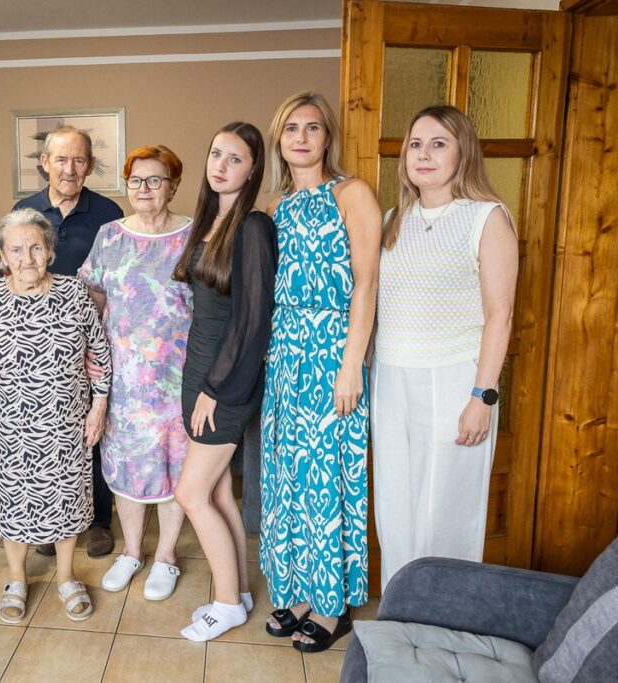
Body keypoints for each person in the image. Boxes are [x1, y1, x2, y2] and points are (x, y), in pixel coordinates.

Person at [371, 105, 518, 590]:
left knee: (445, 512)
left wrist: (482, 398)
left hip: (456, 381)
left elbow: (501, 315)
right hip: (391, 378)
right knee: (395, 506)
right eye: (416, 144)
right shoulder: (394, 218)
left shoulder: (485, 217)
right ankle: (402, 617)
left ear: (463, 153)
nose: (424, 154)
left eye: (439, 144)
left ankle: (444, 619)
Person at [259, 91, 381, 653]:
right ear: (279, 140)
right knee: (291, 479)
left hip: (333, 351)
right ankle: (302, 591)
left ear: (327, 137)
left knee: (328, 477)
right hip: (286, 353)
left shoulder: (351, 193)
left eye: (312, 128)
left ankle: (333, 605)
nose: (302, 137)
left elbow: (366, 282)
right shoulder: (280, 204)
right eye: (291, 129)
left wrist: (351, 363)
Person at [0, 208, 112, 623]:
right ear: (2, 256)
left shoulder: (73, 293)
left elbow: (99, 354)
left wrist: (98, 407)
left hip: (65, 420)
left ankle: (66, 576)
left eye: (35, 247)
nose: (27, 257)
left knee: (65, 499)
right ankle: (16, 578)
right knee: (12, 501)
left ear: (49, 250)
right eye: (16, 249)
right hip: (7, 424)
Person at [172, 122, 275, 642]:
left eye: (235, 159)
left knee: (190, 493)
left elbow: (254, 319)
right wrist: (199, 381)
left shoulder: (254, 225)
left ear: (253, 169)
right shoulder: (210, 221)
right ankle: (238, 589)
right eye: (216, 154)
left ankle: (226, 601)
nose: (221, 166)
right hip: (200, 371)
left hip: (226, 379)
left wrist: (215, 386)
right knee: (217, 493)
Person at [77, 145, 192, 601]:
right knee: (124, 466)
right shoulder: (109, 235)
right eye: (136, 180)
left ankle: (165, 555)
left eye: (155, 180)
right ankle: (131, 551)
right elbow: (94, 302)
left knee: (172, 468)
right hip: (122, 379)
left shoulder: (192, 235)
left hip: (177, 379)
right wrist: (89, 361)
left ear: (173, 185)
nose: (144, 189)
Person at [13, 126, 123, 558]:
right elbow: (14, 274)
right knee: (48, 434)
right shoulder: (25, 211)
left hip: (94, 339)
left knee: (94, 430)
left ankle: (98, 520)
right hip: (40, 347)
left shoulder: (110, 213)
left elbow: (116, 278)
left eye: (79, 160)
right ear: (44, 163)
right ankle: (49, 518)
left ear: (90, 166)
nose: (69, 169)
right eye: (61, 160)